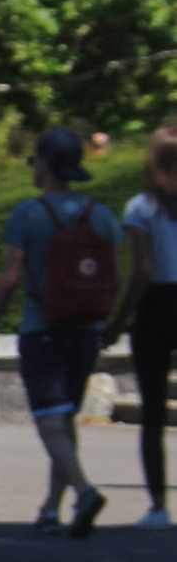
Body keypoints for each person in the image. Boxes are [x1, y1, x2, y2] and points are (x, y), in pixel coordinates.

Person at [0, 128, 121, 537]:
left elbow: (9, 278)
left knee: (49, 421)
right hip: (86, 328)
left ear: (44, 164)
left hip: (42, 327)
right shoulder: (101, 214)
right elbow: (113, 273)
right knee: (64, 419)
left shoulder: (27, 214)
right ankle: (50, 508)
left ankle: (84, 490)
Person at [116, 125, 177, 531]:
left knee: (153, 410)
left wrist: (120, 319)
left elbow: (142, 269)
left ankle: (158, 506)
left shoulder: (141, 207)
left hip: (158, 305)